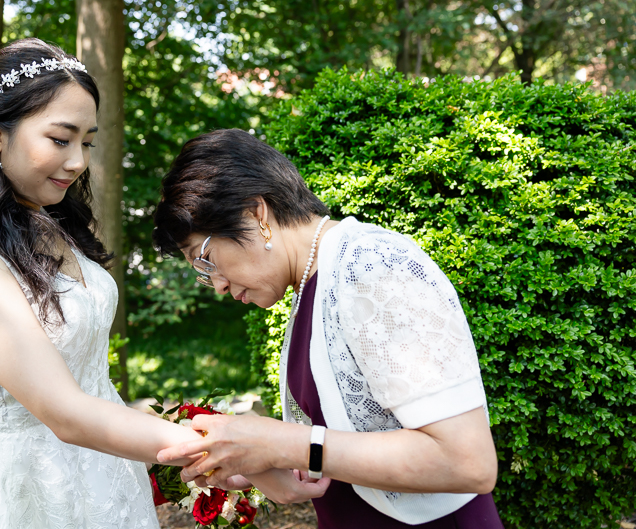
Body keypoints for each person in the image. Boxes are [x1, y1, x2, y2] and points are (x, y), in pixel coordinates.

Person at [0, 40, 327, 529]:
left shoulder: (44, 222)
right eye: (60, 139)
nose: (77, 162)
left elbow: (95, 391)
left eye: (86, 142)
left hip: (106, 475)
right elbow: (65, 412)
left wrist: (190, 457)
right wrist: (230, 453)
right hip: (28, 493)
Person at [151, 129, 504, 528]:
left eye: (206, 258)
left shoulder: (372, 265)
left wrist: (287, 444)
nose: (216, 284)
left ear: (256, 215)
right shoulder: (311, 285)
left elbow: (467, 462)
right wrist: (257, 461)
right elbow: (345, 444)